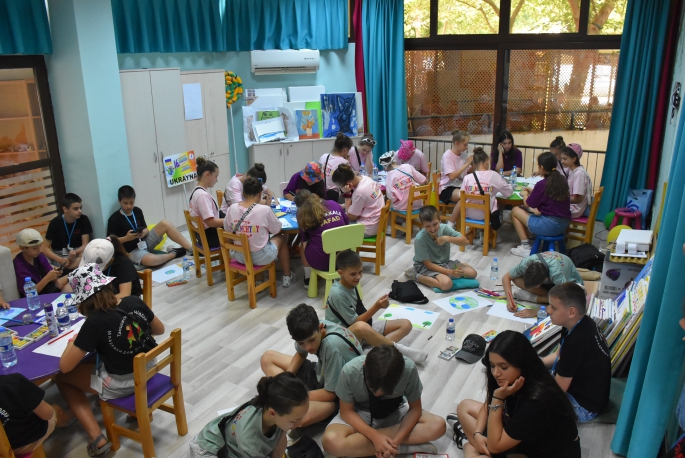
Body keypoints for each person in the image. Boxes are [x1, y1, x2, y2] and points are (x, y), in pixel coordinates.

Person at [56, 263, 164, 457]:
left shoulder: (94, 322)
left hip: (123, 384)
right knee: (96, 360)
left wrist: (72, 343)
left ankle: (97, 438)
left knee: (63, 379)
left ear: (83, 300)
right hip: (150, 368)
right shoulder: (133, 301)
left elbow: (65, 367)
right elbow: (160, 330)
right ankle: (131, 415)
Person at [455, 331, 581, 458]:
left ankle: (468, 446)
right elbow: (488, 406)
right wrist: (477, 434)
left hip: (546, 453)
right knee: (464, 406)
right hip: (524, 440)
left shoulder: (536, 401)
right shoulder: (511, 380)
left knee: (482, 452)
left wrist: (498, 398)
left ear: (521, 364)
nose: (496, 373)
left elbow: (494, 447)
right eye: (492, 365)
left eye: (503, 367)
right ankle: (474, 443)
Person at [321, 346, 445, 457]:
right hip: (360, 413)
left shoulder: (408, 369)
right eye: (372, 389)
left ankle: (383, 446)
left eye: (386, 392)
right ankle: (406, 447)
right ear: (364, 366)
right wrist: (375, 436)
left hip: (394, 411)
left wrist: (396, 441)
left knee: (438, 426)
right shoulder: (350, 371)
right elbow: (346, 412)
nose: (378, 394)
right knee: (330, 441)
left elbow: (415, 408)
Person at [260, 303, 363, 427]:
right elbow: (301, 354)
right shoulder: (308, 328)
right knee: (267, 358)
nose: (308, 347)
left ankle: (288, 400)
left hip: (337, 395)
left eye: (312, 340)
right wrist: (288, 377)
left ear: (320, 328)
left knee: (300, 418)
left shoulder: (333, 347)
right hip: (322, 373)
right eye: (301, 343)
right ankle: (287, 397)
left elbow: (331, 394)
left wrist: (298, 396)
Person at [326, 249, 428, 363]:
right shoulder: (338, 293)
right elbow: (354, 322)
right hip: (344, 335)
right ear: (340, 273)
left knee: (406, 324)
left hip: (362, 327)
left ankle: (374, 352)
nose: (358, 277)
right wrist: (377, 306)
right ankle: (396, 349)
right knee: (360, 326)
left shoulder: (350, 283)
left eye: (360, 272)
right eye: (353, 274)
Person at [189, 372, 309, 458]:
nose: (301, 423)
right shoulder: (249, 438)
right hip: (207, 449)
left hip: (234, 444)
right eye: (295, 421)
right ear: (272, 413)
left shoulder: (275, 412)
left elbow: (279, 445)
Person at [542, 282, 611, 421]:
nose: (548, 310)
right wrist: (532, 363)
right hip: (582, 389)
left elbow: (558, 391)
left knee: (530, 403)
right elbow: (557, 355)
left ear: (571, 312)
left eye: (553, 308)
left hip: (584, 406)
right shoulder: (577, 323)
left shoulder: (576, 342)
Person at [225, 177, 295, 287]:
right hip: (261, 257)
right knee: (280, 238)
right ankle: (287, 276)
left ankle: (259, 278)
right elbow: (277, 229)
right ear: (260, 194)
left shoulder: (231, 209)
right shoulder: (264, 210)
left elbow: (227, 231)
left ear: (243, 193)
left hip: (239, 255)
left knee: (256, 241)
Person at [107, 185, 191, 266]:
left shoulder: (137, 211)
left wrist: (143, 232)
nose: (129, 206)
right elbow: (110, 241)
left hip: (144, 242)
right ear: (119, 201)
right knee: (153, 260)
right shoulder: (114, 219)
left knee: (165, 223)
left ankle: (191, 249)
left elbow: (146, 229)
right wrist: (126, 238)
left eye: (131, 203)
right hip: (131, 251)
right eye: (125, 203)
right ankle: (174, 253)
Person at [511, 151, 571, 258]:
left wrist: (524, 194)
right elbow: (548, 197)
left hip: (549, 226)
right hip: (563, 225)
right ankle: (528, 243)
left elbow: (529, 204)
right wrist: (533, 191)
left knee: (515, 210)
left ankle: (525, 247)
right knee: (534, 212)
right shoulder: (562, 180)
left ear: (542, 167)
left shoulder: (542, 184)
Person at [404, 206, 477, 292]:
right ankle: (416, 275)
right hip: (425, 267)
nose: (432, 229)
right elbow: (429, 265)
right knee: (447, 284)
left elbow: (465, 242)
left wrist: (446, 238)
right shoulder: (420, 239)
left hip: (444, 263)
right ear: (422, 225)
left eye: (435, 224)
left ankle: (452, 270)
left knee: (473, 274)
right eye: (428, 226)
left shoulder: (445, 228)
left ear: (440, 220)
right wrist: (450, 272)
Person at [0, 373, 73, 455]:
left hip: (3, 447)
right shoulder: (13, 382)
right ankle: (70, 416)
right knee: (54, 410)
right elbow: (48, 414)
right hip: (21, 444)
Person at [294, 189, 349, 288]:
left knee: (304, 244)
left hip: (321, 262)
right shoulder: (333, 204)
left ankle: (308, 278)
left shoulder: (302, 215)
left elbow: (305, 239)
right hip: (345, 258)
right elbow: (346, 224)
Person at [503, 251, 583, 317]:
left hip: (570, 283)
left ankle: (545, 299)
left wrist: (536, 312)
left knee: (563, 302)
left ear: (544, 280)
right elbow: (506, 277)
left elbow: (564, 301)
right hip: (550, 280)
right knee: (515, 278)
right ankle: (547, 298)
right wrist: (509, 301)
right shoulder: (528, 262)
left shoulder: (557, 274)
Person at [452, 147, 513, 232]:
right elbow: (508, 192)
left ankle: (478, 232)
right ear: (487, 160)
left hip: (468, 214)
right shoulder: (493, 175)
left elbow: (461, 196)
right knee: (495, 202)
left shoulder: (467, 178)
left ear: (475, 163)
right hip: (487, 215)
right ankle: (486, 233)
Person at [13, 228, 71, 296]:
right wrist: (48, 278)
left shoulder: (39, 256)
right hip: (36, 296)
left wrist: (55, 273)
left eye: (39, 247)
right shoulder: (19, 265)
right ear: (23, 248)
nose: (38, 250)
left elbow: (53, 278)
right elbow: (30, 294)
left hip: (48, 287)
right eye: (34, 248)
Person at [42, 193, 92, 270]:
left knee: (90, 254)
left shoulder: (83, 220)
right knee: (42, 259)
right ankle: (61, 268)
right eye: (75, 209)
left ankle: (63, 268)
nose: (80, 211)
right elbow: (44, 248)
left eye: (80, 208)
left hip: (77, 252)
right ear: (65, 209)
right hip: (59, 254)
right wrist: (59, 259)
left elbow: (85, 245)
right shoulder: (55, 223)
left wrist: (75, 252)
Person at [332, 164, 384, 237]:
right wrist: (344, 205)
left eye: (340, 188)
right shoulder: (366, 178)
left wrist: (347, 195)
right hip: (377, 222)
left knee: (336, 225)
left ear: (348, 184)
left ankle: (346, 247)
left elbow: (351, 217)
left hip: (368, 228)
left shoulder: (360, 192)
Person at [439, 131, 474, 229]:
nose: (466, 147)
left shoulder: (462, 154)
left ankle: (468, 222)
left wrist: (474, 164)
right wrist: (466, 164)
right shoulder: (447, 156)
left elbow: (465, 173)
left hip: (459, 185)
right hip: (447, 187)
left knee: (473, 194)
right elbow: (451, 177)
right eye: (465, 144)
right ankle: (451, 223)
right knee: (464, 196)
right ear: (456, 143)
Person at [189, 156, 224, 248]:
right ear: (207, 174)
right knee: (240, 233)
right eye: (216, 176)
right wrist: (229, 221)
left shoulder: (197, 191)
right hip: (209, 238)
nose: (217, 180)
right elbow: (211, 222)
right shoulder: (202, 195)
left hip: (204, 235)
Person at [560, 144, 593, 218]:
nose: (562, 161)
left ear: (574, 159)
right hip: (573, 206)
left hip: (575, 209)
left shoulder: (579, 174)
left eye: (565, 159)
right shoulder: (572, 171)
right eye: (561, 159)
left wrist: (561, 199)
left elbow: (578, 199)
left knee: (547, 207)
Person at [319, 133, 352, 201]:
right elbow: (348, 181)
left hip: (320, 192)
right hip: (334, 196)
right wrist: (347, 161)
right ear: (345, 150)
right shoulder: (344, 162)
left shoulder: (324, 156)